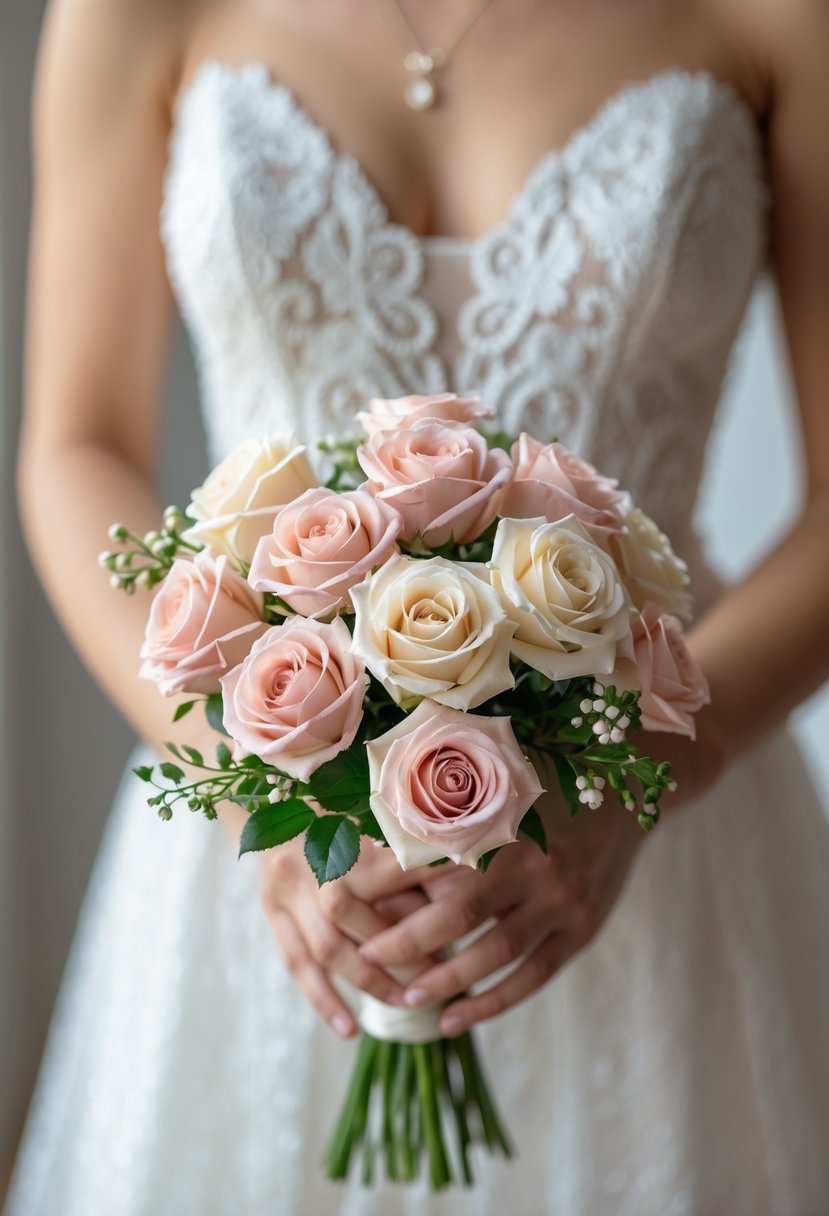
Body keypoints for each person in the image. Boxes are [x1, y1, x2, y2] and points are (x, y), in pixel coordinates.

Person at [5, 0, 829, 1211]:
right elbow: (73, 447)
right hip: (274, 858)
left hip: (657, 834)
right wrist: (253, 785)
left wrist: (637, 784)